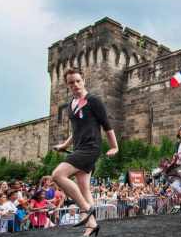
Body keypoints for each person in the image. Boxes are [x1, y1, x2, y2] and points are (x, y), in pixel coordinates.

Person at [52, 68, 118, 236]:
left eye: (77, 81)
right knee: (84, 188)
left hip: (91, 148)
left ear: (83, 80)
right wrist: (64, 145)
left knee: (58, 175)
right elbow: (76, 130)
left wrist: (114, 146)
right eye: (71, 82)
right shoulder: (71, 105)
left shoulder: (93, 101)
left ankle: (85, 208)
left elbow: (107, 126)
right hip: (78, 147)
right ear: (67, 85)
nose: (75, 84)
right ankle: (92, 226)